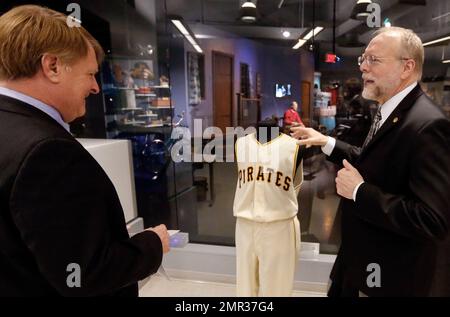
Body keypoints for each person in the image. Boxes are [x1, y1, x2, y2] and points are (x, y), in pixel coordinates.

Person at [0, 5, 170, 296]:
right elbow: (83, 275)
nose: (95, 87)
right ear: (53, 66)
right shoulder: (47, 153)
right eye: (90, 74)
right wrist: (152, 244)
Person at [291, 27, 450, 297]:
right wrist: (325, 142)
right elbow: (378, 163)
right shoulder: (392, 111)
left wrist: (359, 192)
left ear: (406, 67)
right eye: (363, 59)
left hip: (391, 276)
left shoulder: (429, 125)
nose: (363, 67)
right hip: (360, 262)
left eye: (373, 60)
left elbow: (431, 220)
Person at [233, 118, 303, 296]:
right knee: (245, 289)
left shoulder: (294, 146)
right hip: (244, 224)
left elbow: (296, 185)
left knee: (277, 289)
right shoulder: (241, 143)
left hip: (279, 225)